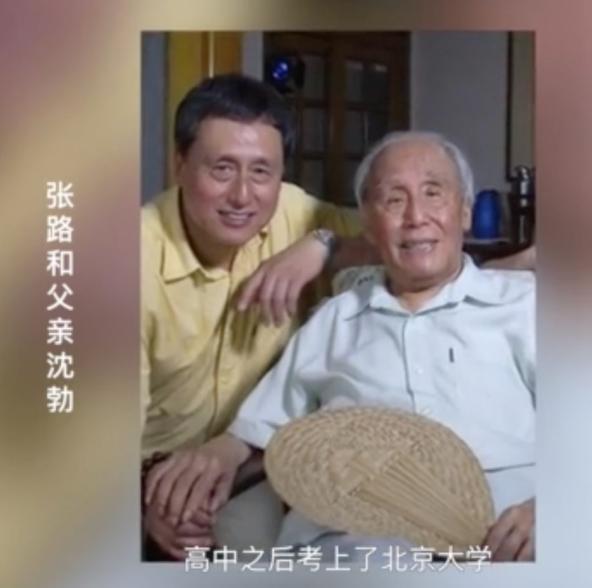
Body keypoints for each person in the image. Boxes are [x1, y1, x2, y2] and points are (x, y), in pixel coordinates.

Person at [146, 131, 536, 562]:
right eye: (394, 200)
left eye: (433, 193)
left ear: (464, 211)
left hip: (504, 540)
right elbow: (258, 428)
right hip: (358, 546)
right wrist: (199, 470)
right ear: (367, 224)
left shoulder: (526, 306)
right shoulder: (335, 320)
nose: (416, 217)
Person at [141, 73, 383, 559]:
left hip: (252, 459)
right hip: (149, 470)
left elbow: (397, 242)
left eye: (261, 172)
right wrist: (143, 504)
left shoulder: (293, 212)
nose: (242, 196)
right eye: (222, 169)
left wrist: (323, 245)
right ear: (179, 164)